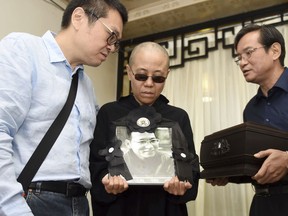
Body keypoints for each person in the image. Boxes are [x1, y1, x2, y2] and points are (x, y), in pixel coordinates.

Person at [0, 0, 127, 215]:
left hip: (79, 203)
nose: (113, 47)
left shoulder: (86, 84)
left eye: (117, 42)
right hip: (32, 199)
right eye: (111, 35)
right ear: (79, 18)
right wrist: (13, 208)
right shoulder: (23, 49)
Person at [89, 41, 200, 216]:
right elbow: (95, 164)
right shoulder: (109, 113)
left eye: (158, 78)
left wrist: (183, 183)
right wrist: (107, 180)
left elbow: (192, 167)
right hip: (119, 208)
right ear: (129, 72)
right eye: (141, 76)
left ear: (167, 75)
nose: (149, 84)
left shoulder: (178, 117)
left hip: (165, 208)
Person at [207, 24, 288, 216]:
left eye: (248, 53)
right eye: (239, 57)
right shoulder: (251, 109)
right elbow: (257, 166)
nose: (242, 62)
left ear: (275, 51)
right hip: (262, 204)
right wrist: (228, 174)